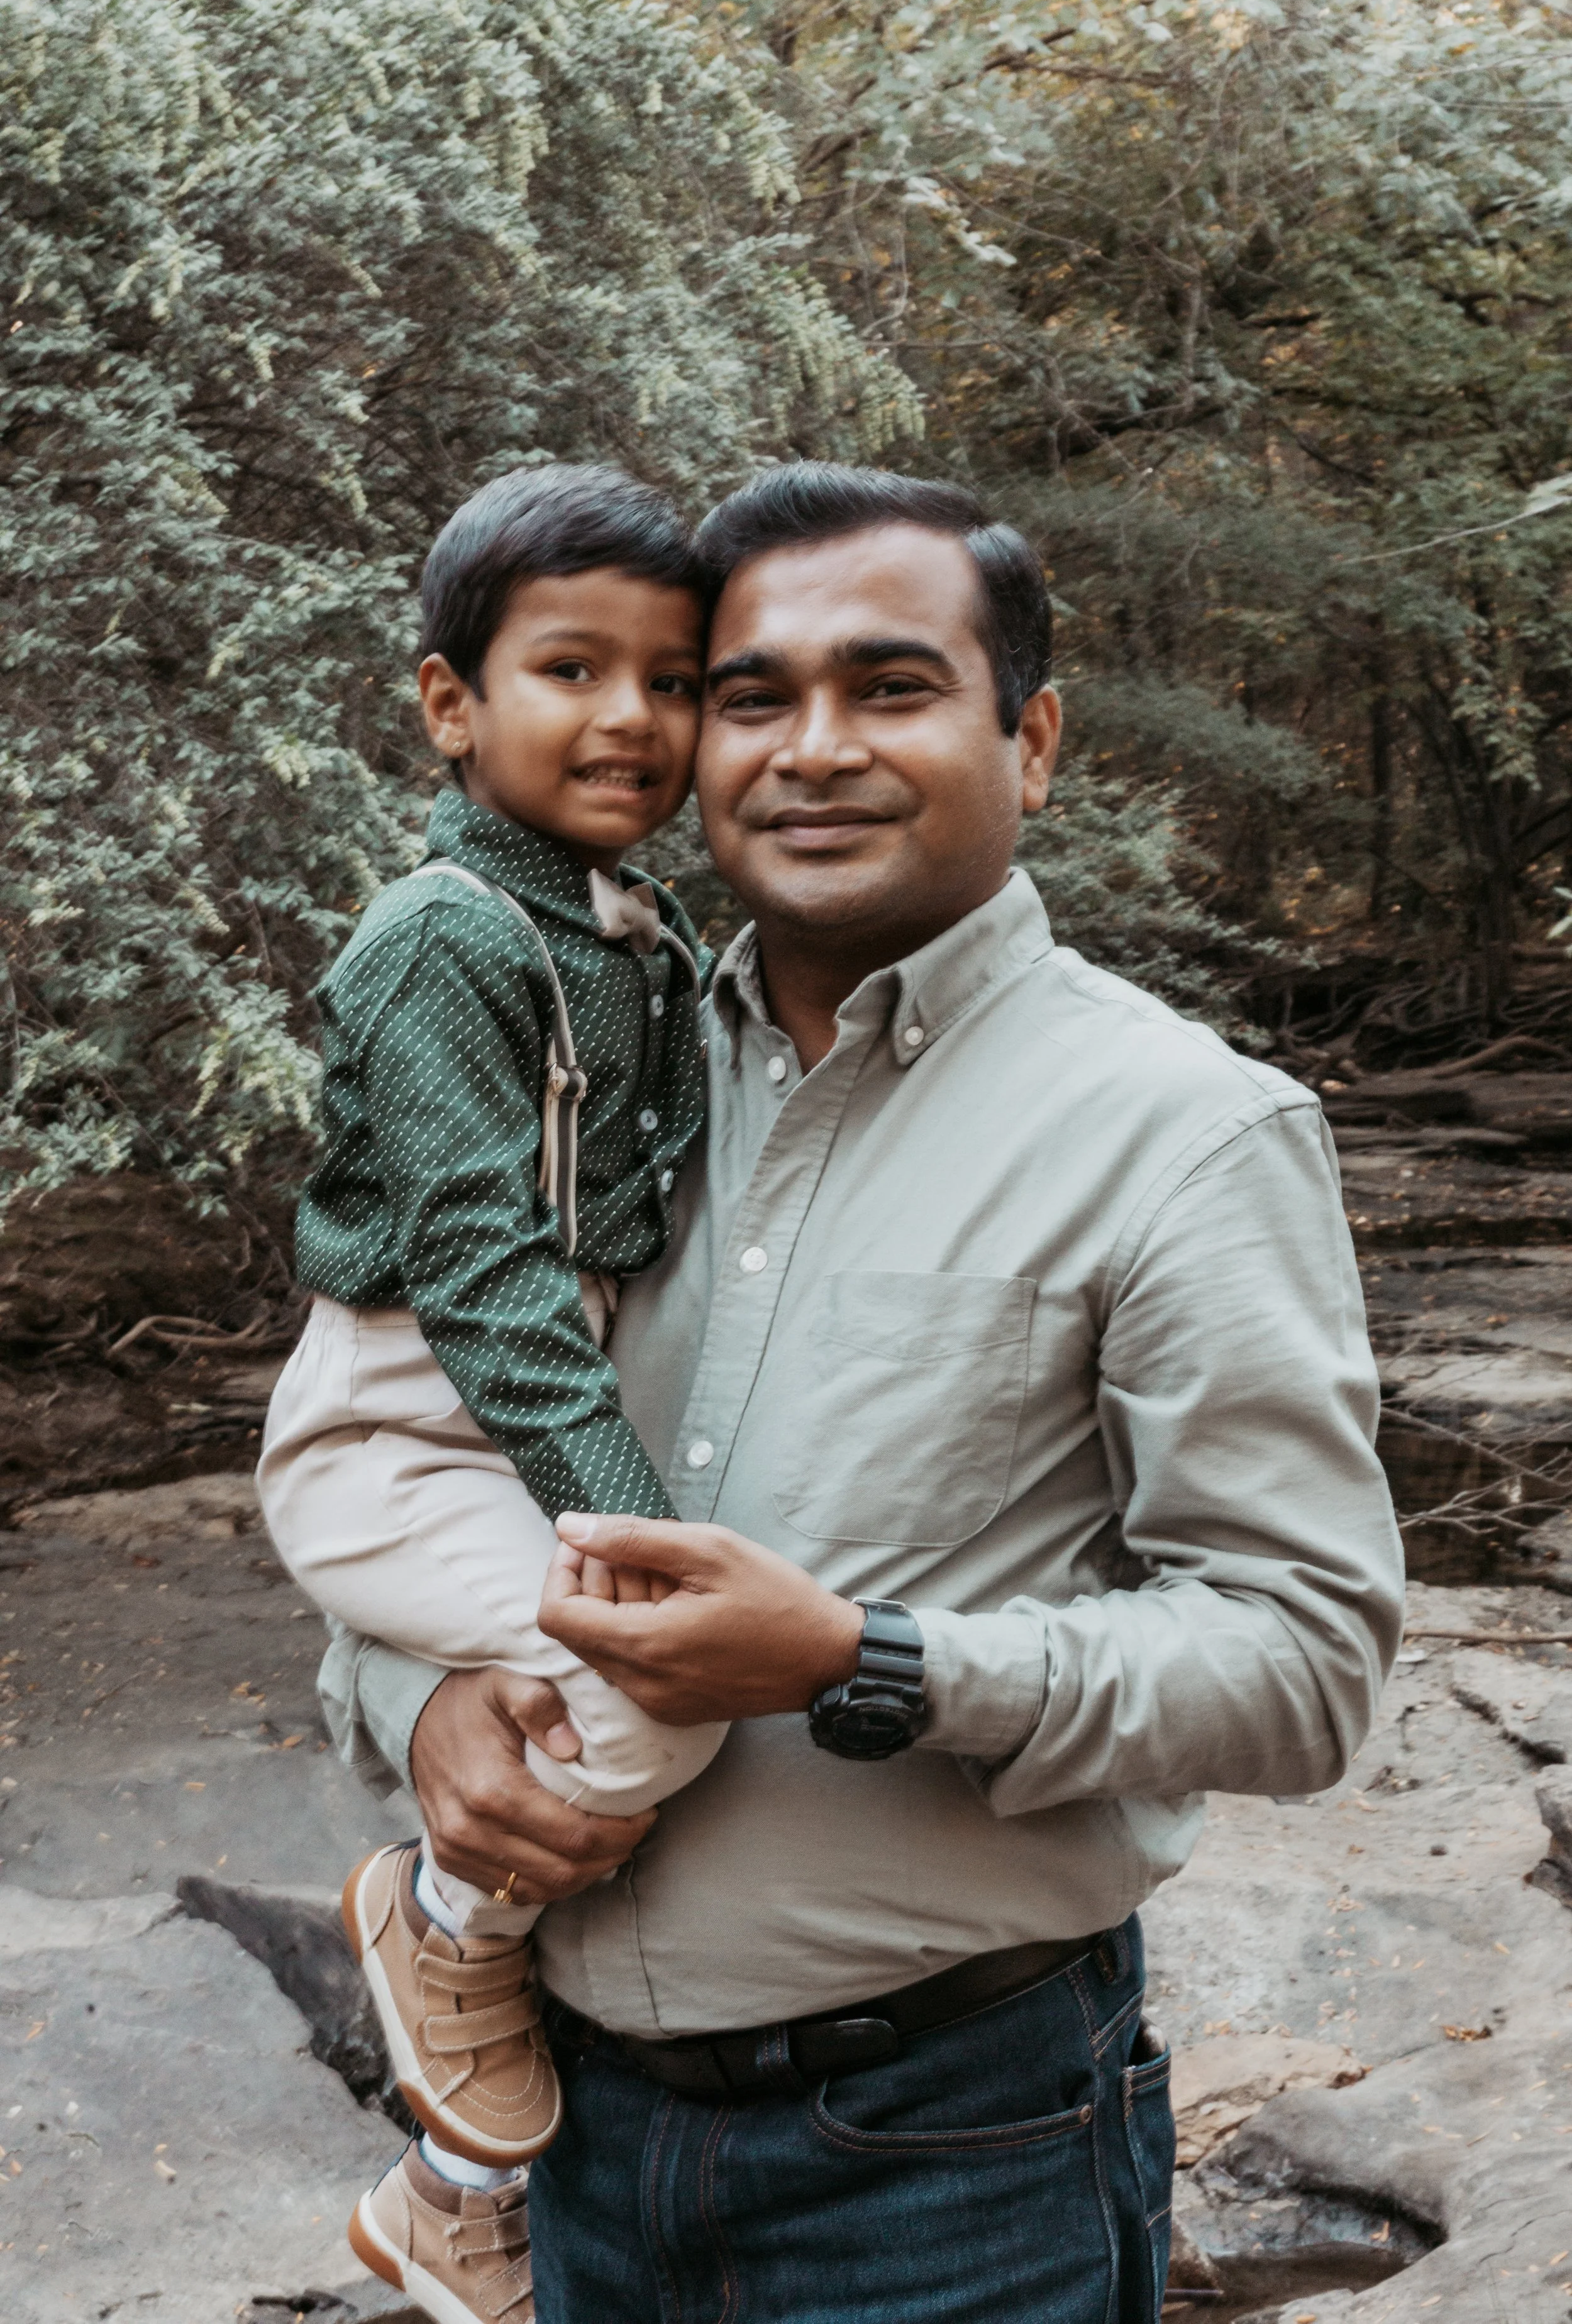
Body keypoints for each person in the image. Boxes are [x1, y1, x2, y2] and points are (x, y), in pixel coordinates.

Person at [324, 463, 1405, 2324]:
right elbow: (414, 1458)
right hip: (575, 2147)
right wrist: (414, 1703)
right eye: (749, 695)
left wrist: (862, 1660)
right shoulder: (602, 1074)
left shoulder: (1184, 1134)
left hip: (950, 2162)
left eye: (890, 687)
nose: (809, 749)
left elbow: (1304, 1663)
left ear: (1031, 738)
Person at [258, 464, 732, 2323]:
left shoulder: (632, 930)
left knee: (632, 1688)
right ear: (450, 703)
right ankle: (438, 1921)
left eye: (677, 679)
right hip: (404, 1420)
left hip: (526, 1408)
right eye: (570, 668)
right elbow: (478, 1266)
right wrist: (635, 1524)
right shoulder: (444, 937)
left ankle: (453, 2189)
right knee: (653, 1683)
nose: (630, 715)